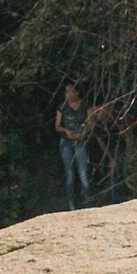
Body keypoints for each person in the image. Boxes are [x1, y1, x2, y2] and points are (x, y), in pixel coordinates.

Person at [56, 82, 101, 210]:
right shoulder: (62, 106)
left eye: (71, 91)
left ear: (77, 92)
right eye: (66, 92)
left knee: (83, 173)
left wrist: (81, 134)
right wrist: (66, 131)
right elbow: (57, 126)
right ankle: (72, 206)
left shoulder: (86, 105)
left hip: (81, 141)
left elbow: (91, 124)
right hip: (66, 141)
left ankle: (88, 203)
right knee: (69, 173)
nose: (68, 95)